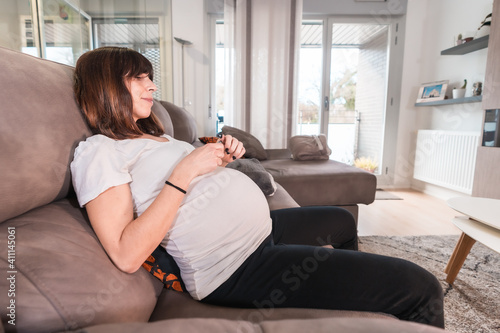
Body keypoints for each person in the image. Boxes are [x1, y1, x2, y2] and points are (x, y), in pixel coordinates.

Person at [70, 47, 444, 328]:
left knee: (340, 221)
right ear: (106, 87)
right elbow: (126, 253)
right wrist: (185, 171)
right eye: (138, 78)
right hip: (235, 267)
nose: (151, 85)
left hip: (262, 232)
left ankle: (357, 307)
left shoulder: (156, 136)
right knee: (420, 286)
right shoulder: (99, 151)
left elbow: (194, 179)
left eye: (149, 77)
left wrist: (221, 158)